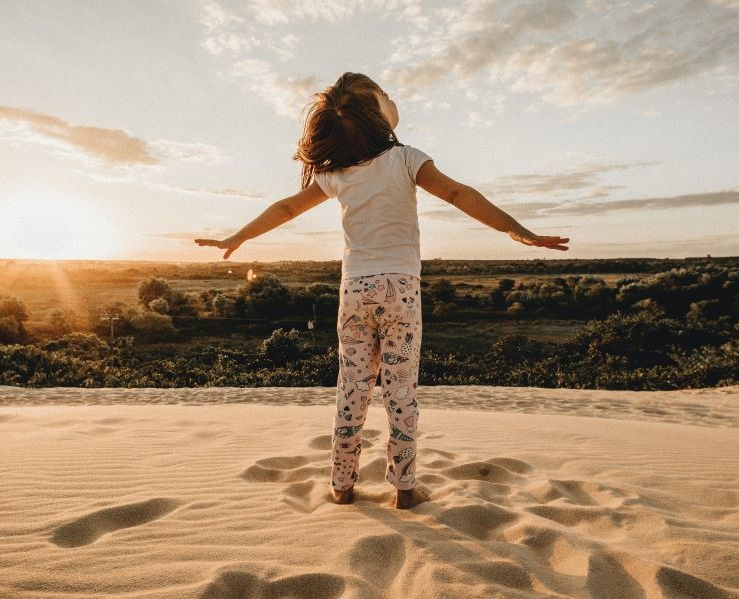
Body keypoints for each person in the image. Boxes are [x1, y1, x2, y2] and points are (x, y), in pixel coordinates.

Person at [195, 72, 568, 509]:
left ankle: (341, 484)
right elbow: (458, 193)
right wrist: (516, 231)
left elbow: (286, 207)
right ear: (377, 114)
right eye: (385, 94)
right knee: (401, 390)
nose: (393, 98)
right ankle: (405, 488)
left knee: (351, 389)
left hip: (355, 289)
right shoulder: (407, 158)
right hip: (401, 290)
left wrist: (238, 237)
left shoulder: (337, 174)